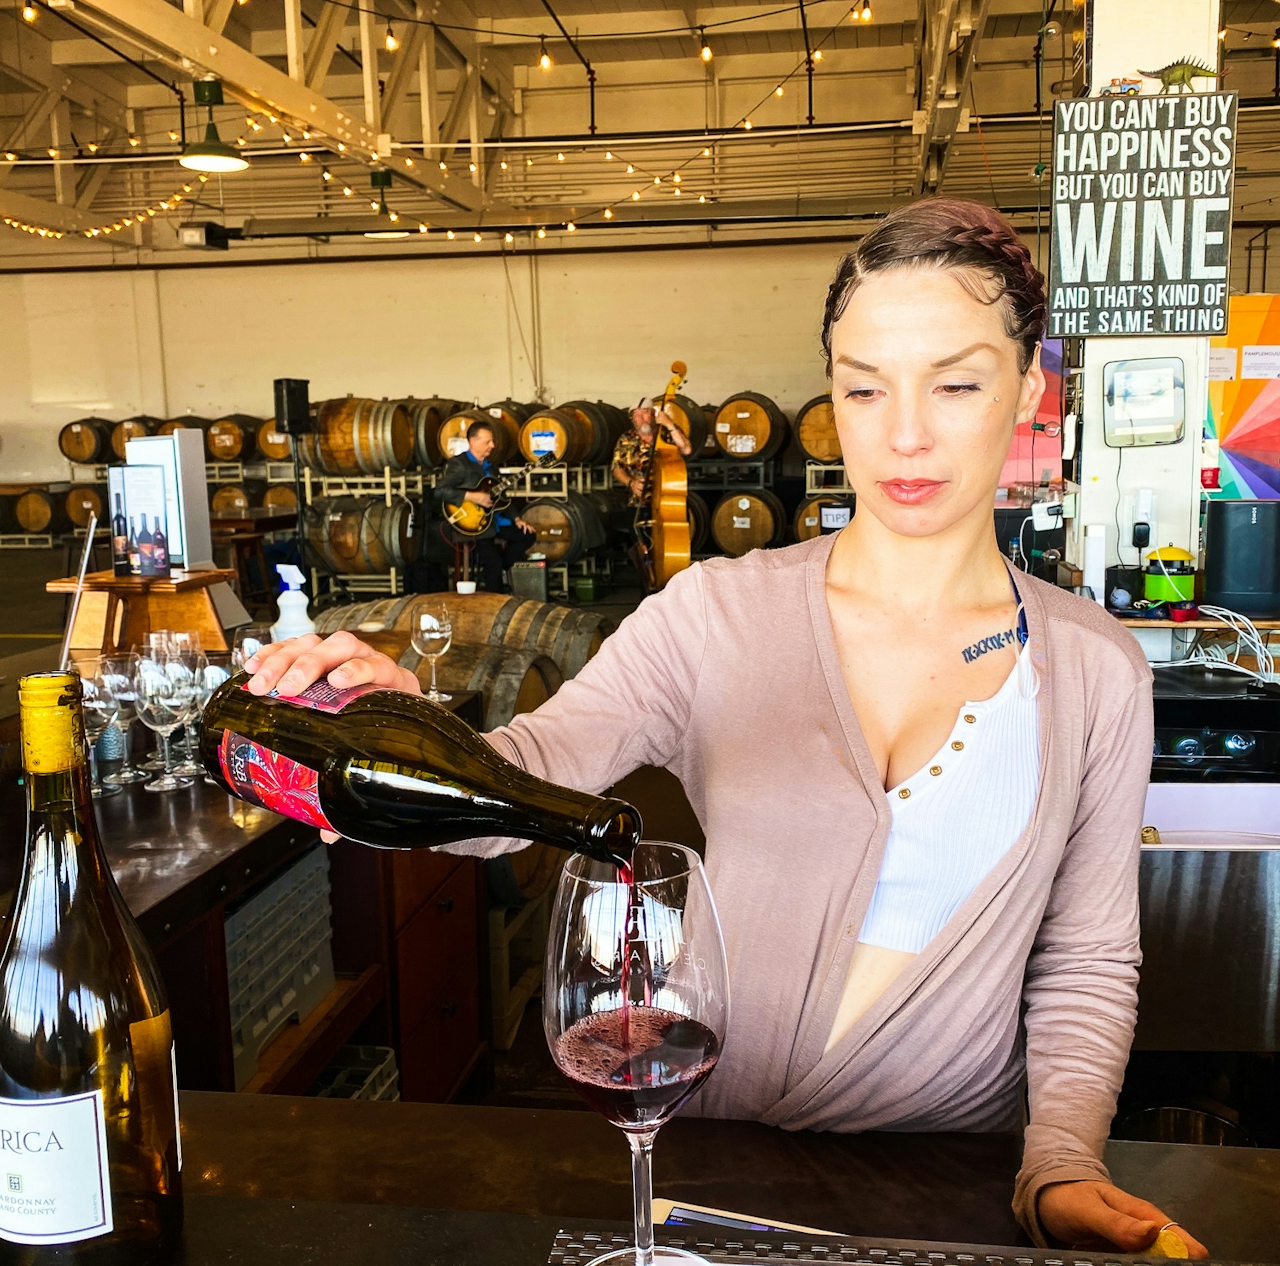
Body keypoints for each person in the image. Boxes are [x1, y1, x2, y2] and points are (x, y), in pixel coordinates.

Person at [243, 199, 1203, 1259]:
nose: (905, 432)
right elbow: (524, 788)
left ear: (1028, 389)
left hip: (948, 1182)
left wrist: (1061, 1162)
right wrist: (405, 725)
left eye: (956, 381)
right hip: (706, 1163)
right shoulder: (714, 612)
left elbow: (1085, 954)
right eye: (862, 386)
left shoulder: (1093, 668)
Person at [434, 421, 537, 593]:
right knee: (493, 561)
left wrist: (517, 519)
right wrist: (472, 496)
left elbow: (502, 497)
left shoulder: (492, 467)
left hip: (495, 521)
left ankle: (497, 571)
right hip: (473, 524)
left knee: (528, 536)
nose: (493, 445)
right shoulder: (459, 464)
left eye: (492, 441)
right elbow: (440, 491)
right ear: (473, 442)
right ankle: (494, 598)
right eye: (488, 442)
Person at [611, 397, 694, 504]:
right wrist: (631, 483)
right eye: (636, 415)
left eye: (645, 413)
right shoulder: (626, 438)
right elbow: (617, 468)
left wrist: (669, 424)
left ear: (654, 414)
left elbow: (686, 449)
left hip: (668, 501)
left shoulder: (667, 433)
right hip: (638, 502)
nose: (641, 418)